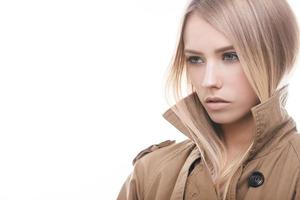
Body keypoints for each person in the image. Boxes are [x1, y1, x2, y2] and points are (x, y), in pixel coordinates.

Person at [117, 0, 300, 199]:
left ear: (276, 57)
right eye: (196, 59)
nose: (208, 80)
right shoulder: (151, 173)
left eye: (230, 56)